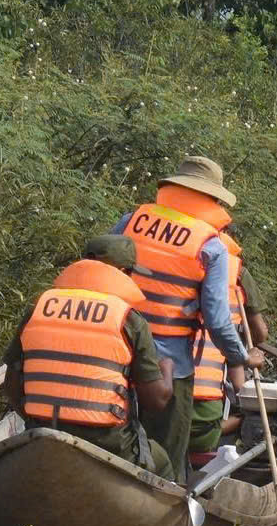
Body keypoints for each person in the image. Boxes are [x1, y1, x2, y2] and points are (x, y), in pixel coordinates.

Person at [113, 156, 264, 485]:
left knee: (117, 445)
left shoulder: (129, 222)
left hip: (115, 355)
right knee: (169, 454)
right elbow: (217, 320)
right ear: (212, 200)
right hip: (170, 367)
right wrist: (242, 356)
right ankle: (171, 501)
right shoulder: (210, 246)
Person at [3, 235, 173, 477]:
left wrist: (40, 418)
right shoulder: (129, 319)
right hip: (109, 445)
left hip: (43, 436)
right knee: (163, 463)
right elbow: (155, 402)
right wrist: (167, 369)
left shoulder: (39, 308)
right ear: (124, 272)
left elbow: (11, 386)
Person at [188, 237, 272, 466]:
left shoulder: (179, 266)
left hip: (174, 376)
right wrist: (249, 353)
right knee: (247, 407)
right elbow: (260, 334)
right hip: (218, 375)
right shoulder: (237, 272)